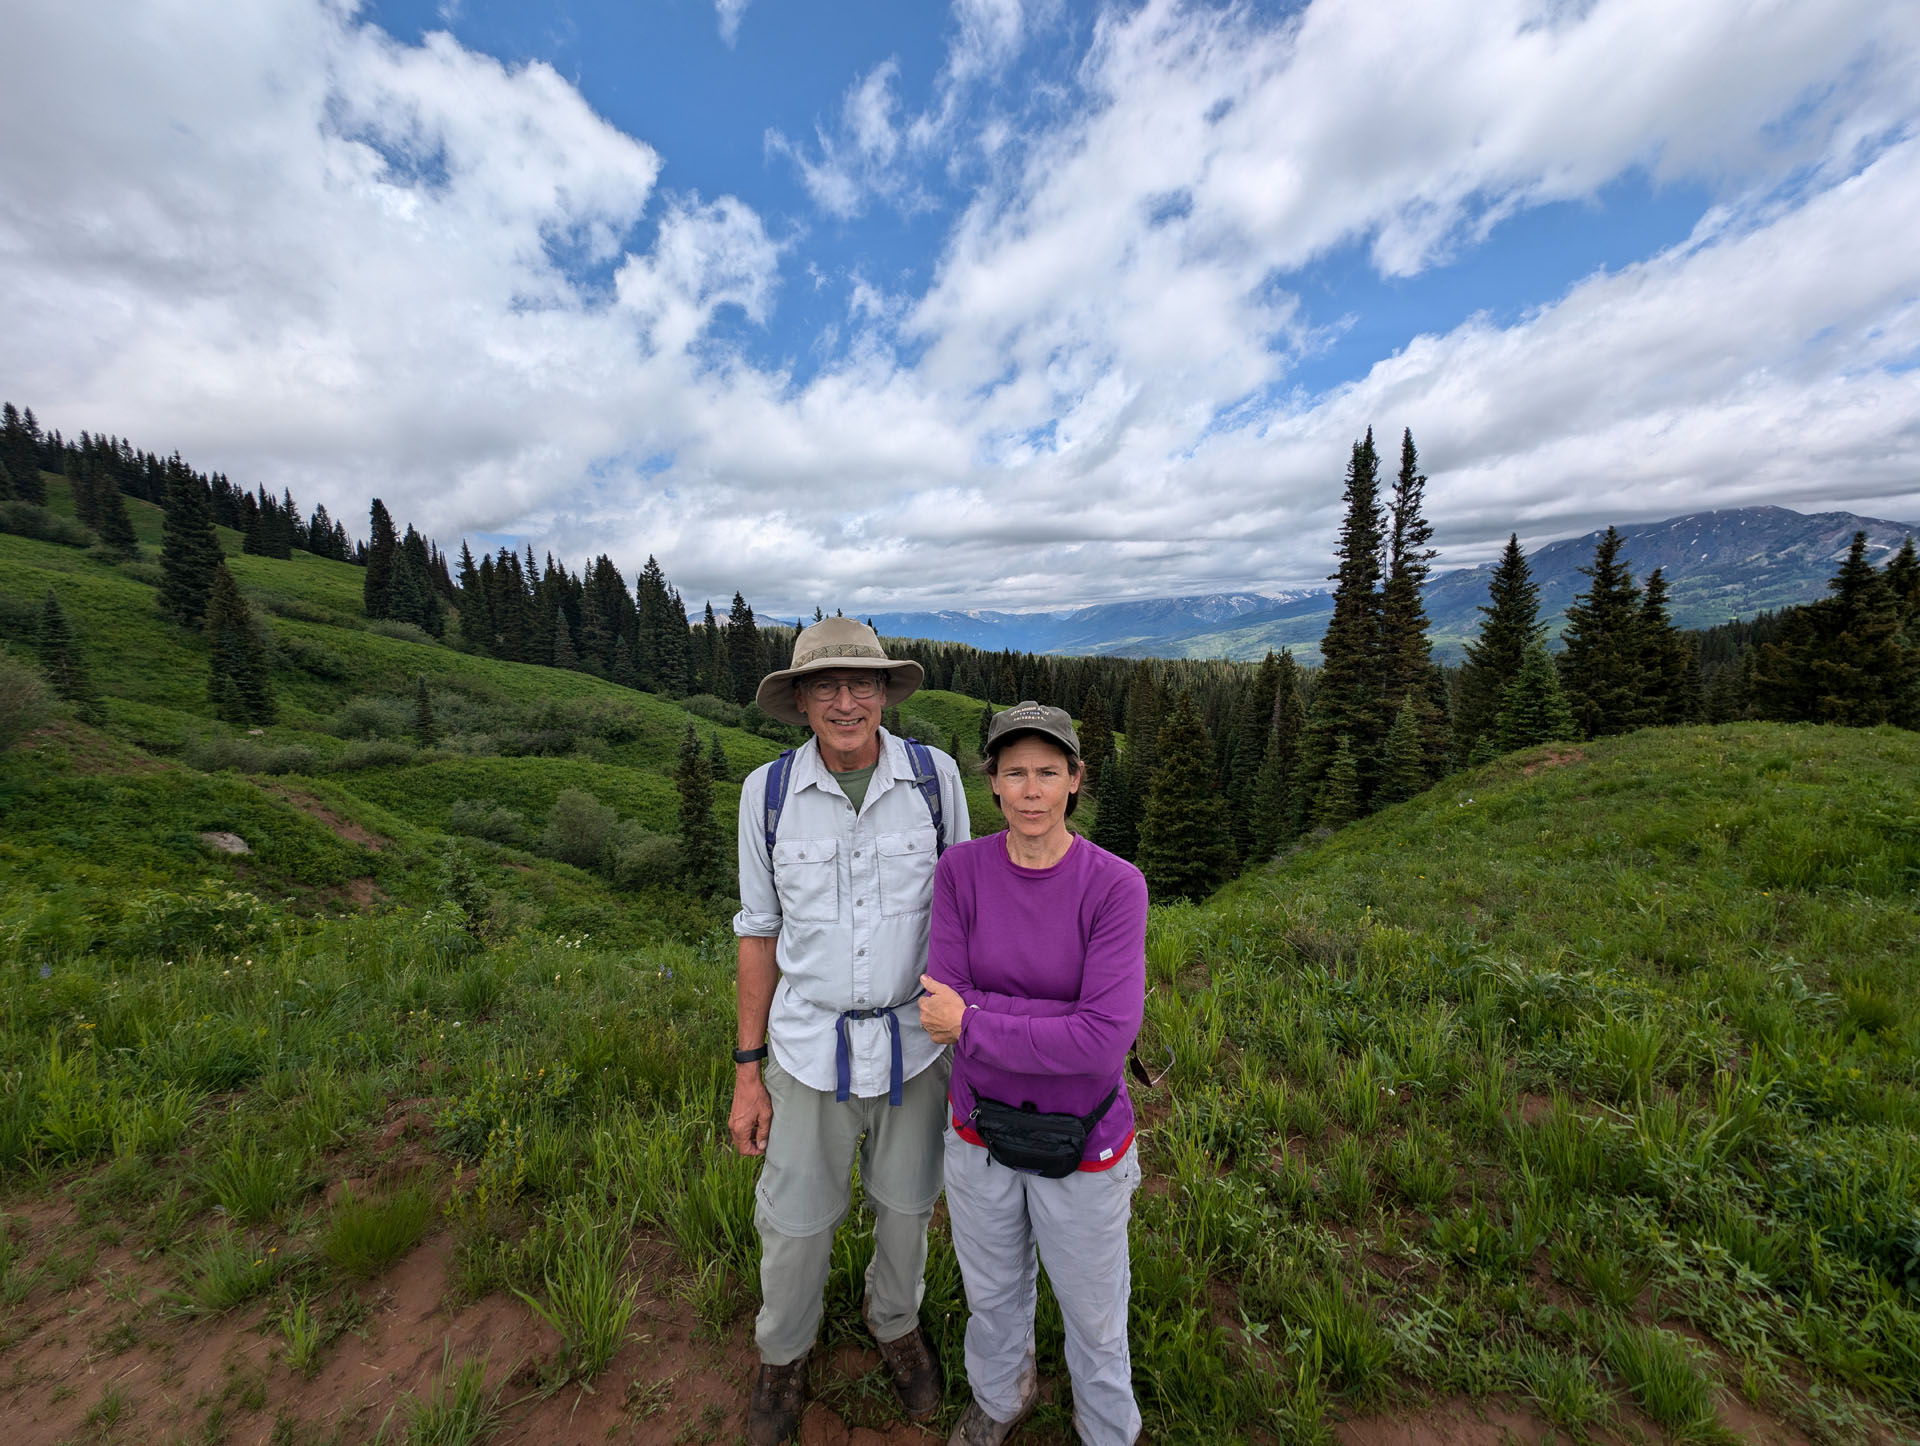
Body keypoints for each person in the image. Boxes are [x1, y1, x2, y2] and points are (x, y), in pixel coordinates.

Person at [730, 616, 970, 1446]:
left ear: (884, 693)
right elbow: (756, 933)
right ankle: (783, 1353)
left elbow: (967, 912)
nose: (844, 701)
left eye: (859, 683)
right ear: (799, 702)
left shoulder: (936, 780)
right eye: (824, 686)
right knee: (794, 1219)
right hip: (806, 1048)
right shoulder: (765, 796)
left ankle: (894, 1323)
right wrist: (747, 1072)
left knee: (908, 1206)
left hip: (917, 1044)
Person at [919, 701, 1148, 1446]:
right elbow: (936, 1001)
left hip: (1084, 1141)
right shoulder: (960, 872)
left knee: (1092, 1308)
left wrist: (977, 1022)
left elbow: (1101, 1040)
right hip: (978, 1128)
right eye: (1014, 771)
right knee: (991, 1293)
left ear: (1075, 781)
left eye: (1048, 772)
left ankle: (1108, 1429)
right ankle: (999, 1399)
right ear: (992, 783)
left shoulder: (1115, 886)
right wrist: (1054, 1015)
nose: (1030, 789)